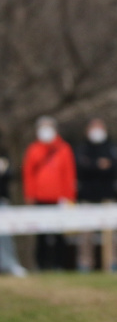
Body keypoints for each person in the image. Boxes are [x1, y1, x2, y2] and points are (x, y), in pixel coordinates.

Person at [23, 116, 77, 271]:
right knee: (41, 235)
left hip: (59, 198)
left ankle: (60, 265)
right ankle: (42, 265)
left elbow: (69, 174)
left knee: (59, 234)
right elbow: (29, 175)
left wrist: (69, 197)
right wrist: (30, 195)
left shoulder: (64, 149)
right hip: (40, 198)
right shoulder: (34, 149)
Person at [74, 119, 117, 272]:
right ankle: (85, 263)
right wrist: (99, 165)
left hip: (108, 196)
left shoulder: (112, 147)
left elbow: (115, 167)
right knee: (86, 234)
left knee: (111, 233)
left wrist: (93, 165)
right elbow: (81, 168)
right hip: (88, 196)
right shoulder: (82, 148)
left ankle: (112, 263)